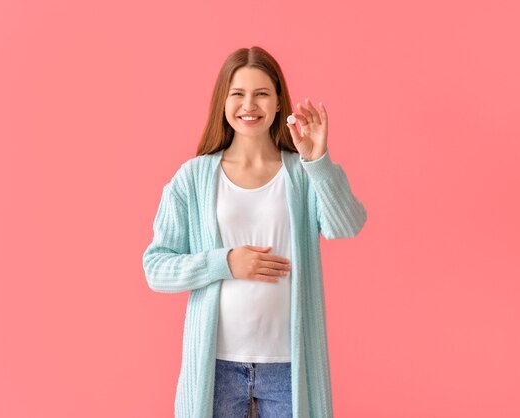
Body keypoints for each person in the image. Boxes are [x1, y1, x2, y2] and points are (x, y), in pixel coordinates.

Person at [142, 46, 367, 418]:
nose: (250, 105)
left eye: (262, 93)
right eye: (238, 94)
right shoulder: (193, 177)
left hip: (289, 367)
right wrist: (225, 262)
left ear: (279, 102)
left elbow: (346, 225)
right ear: (223, 102)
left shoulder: (300, 173)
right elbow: (156, 268)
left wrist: (318, 161)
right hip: (215, 368)